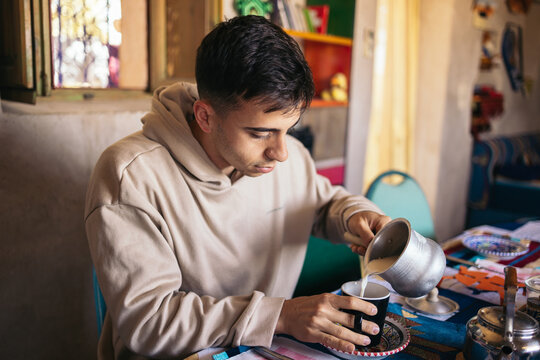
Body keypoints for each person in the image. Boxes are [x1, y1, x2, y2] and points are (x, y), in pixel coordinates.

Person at [85, 15, 390, 360]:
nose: (281, 152)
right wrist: (281, 315)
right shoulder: (131, 176)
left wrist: (354, 215)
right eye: (260, 133)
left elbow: (321, 203)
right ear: (205, 117)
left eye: (288, 129)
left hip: (264, 349)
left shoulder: (283, 158)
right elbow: (150, 322)